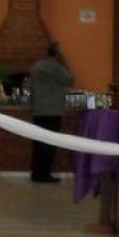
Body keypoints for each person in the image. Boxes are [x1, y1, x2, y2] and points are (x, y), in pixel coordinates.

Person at [29, 42, 74, 183]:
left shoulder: (36, 67)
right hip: (53, 110)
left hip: (38, 110)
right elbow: (70, 80)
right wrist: (65, 62)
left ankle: (36, 173)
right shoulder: (57, 68)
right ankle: (45, 174)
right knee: (49, 143)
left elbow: (31, 87)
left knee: (38, 143)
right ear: (57, 54)